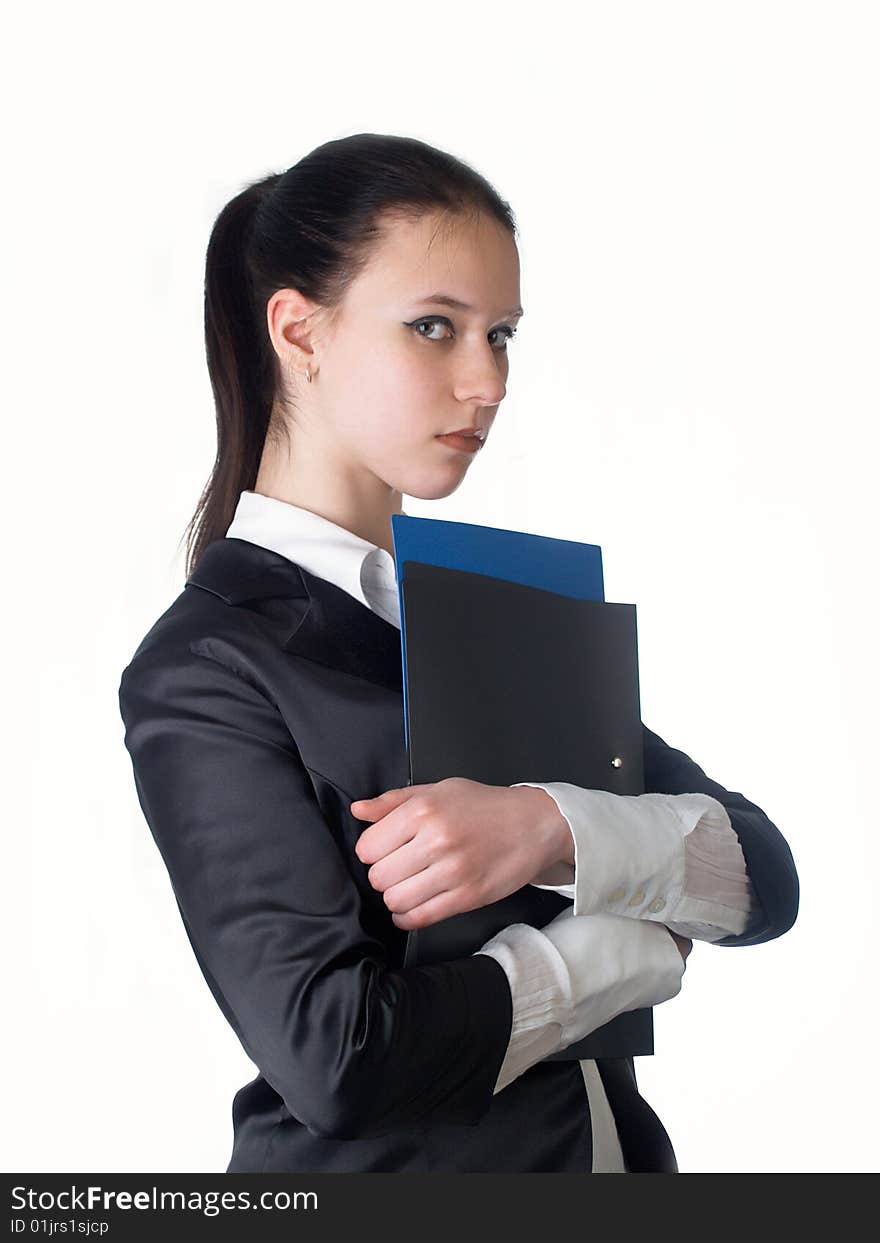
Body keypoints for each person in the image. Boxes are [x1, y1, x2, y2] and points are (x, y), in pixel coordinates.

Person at [118, 133, 800, 1174]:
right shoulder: (210, 663)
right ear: (299, 331)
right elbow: (339, 1060)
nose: (486, 381)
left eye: (503, 335)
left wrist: (543, 828)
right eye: (434, 327)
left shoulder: (497, 607)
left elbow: (761, 876)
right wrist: (609, 955)